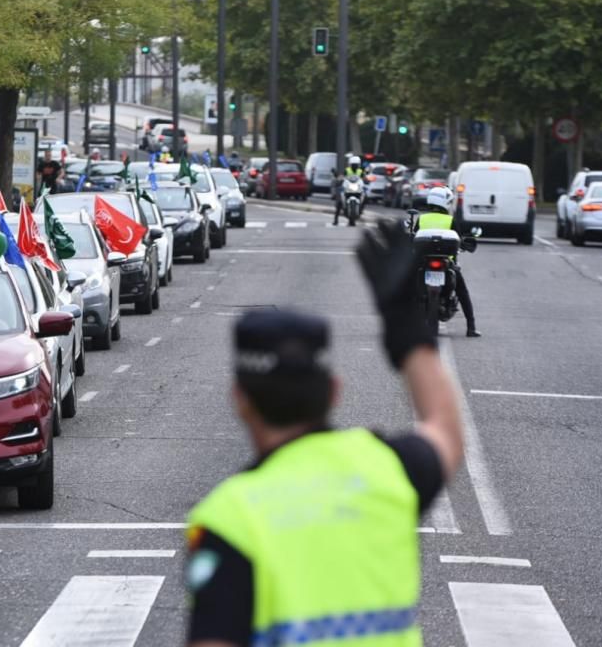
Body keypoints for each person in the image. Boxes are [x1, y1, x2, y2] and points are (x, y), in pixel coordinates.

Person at [186, 220, 464, 647]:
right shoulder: (387, 471)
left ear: (241, 400)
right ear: (334, 392)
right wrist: (409, 330)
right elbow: (445, 431)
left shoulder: (228, 518)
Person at [413, 187, 480, 337]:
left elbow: (414, 238)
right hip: (446, 262)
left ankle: (401, 325)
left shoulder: (422, 219)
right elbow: (459, 240)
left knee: (406, 288)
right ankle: (471, 326)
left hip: (423, 262)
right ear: (445, 203)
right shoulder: (450, 220)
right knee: (462, 291)